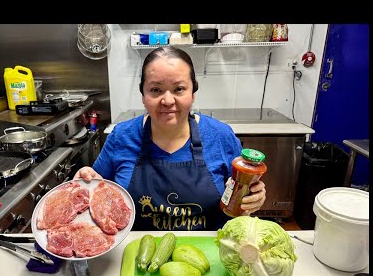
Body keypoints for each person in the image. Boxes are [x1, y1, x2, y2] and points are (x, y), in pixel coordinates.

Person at [74, 46, 266, 230]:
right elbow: (98, 189)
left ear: (193, 94)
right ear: (143, 95)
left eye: (179, 89)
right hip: (135, 249)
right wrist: (87, 182)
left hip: (210, 250)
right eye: (156, 90)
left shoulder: (221, 136)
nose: (167, 100)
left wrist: (253, 198)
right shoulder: (122, 137)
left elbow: (240, 194)